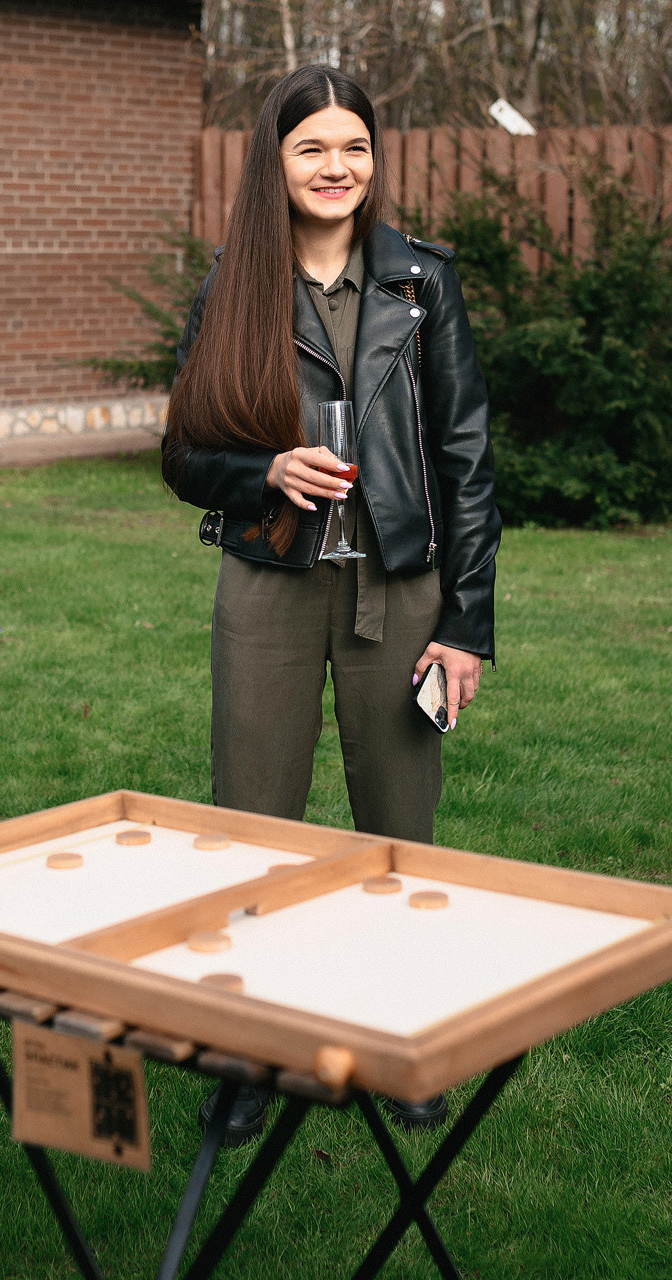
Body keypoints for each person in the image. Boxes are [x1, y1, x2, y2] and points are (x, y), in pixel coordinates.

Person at [161, 63, 500, 1137]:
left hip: (399, 586)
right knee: (252, 822)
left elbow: (465, 460)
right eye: (312, 148)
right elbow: (179, 454)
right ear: (275, 159)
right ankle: (252, 1051)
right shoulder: (235, 286)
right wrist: (262, 471)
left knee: (399, 821)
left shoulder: (422, 283)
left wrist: (466, 624)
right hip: (269, 579)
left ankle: (404, 1038)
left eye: (353, 146)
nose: (335, 167)